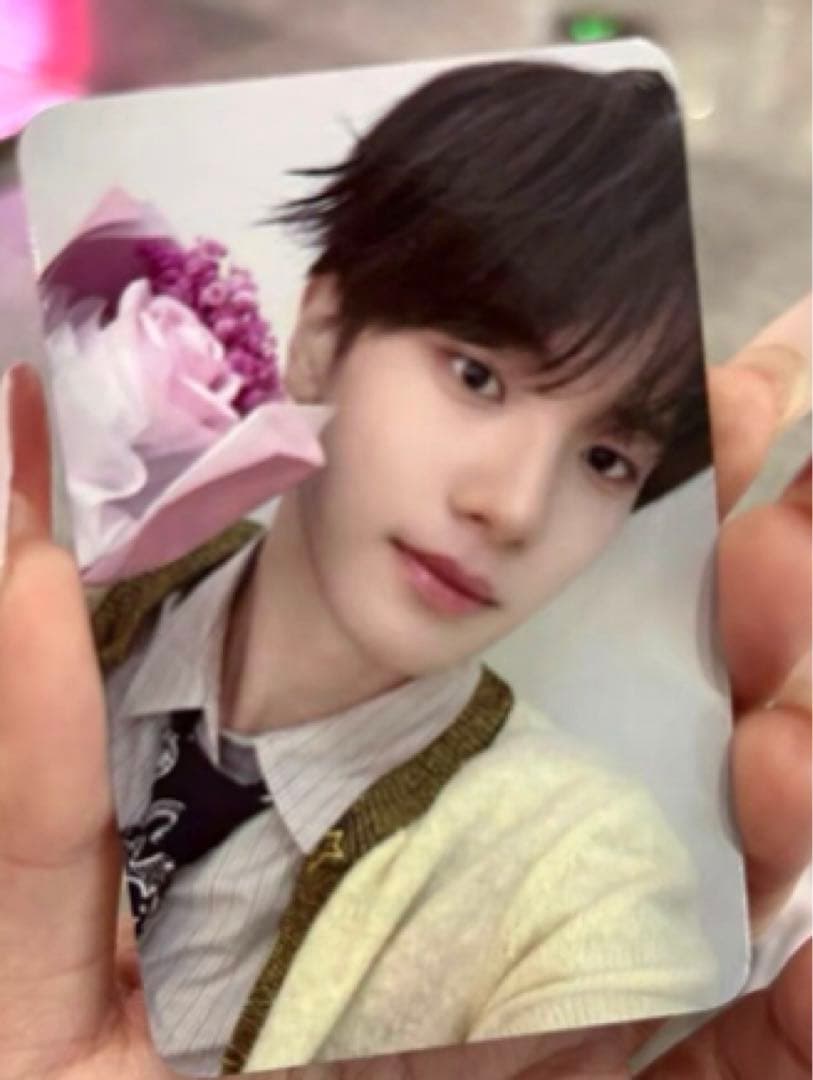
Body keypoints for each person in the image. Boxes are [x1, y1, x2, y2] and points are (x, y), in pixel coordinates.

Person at [0, 69, 809, 1080]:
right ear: (321, 339)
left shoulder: (584, 879)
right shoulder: (70, 624)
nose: (513, 508)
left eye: (606, 460)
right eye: (476, 375)